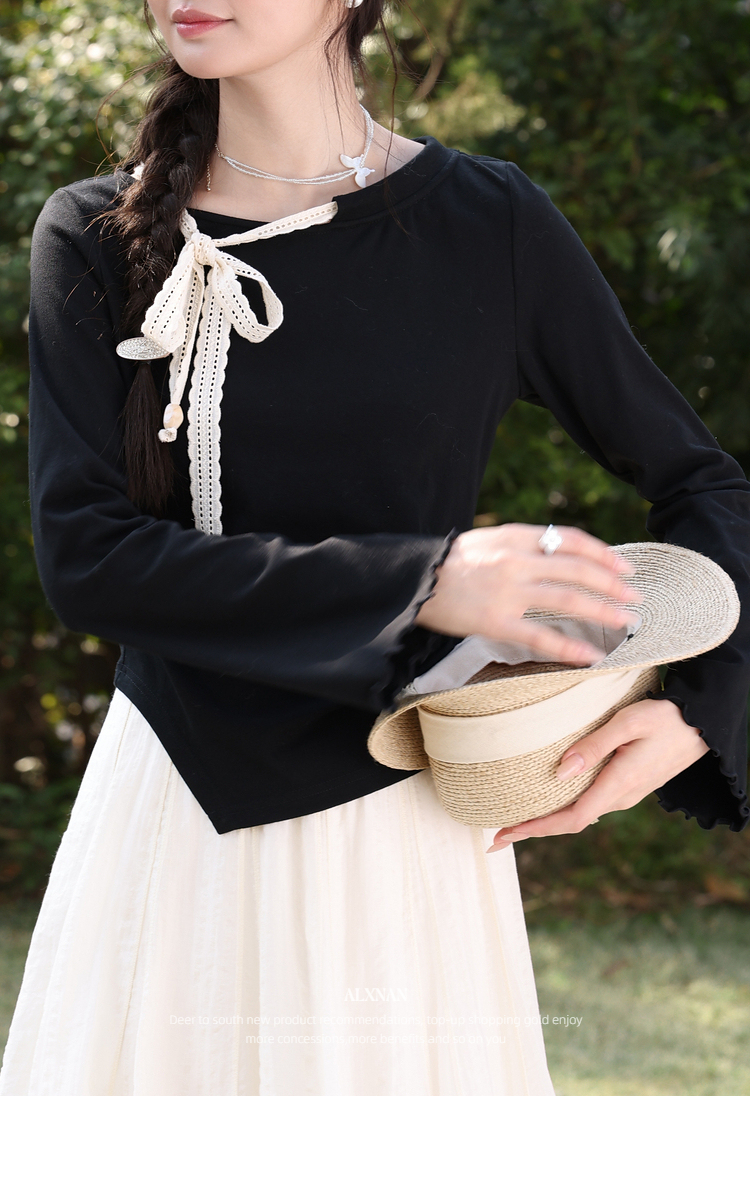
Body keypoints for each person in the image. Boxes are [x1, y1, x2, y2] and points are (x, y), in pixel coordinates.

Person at [1, 0, 748, 1097]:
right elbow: (89, 561)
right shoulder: (94, 231)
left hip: (409, 835)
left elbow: (707, 485)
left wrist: (702, 707)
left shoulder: (490, 223)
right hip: (173, 825)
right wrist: (431, 581)